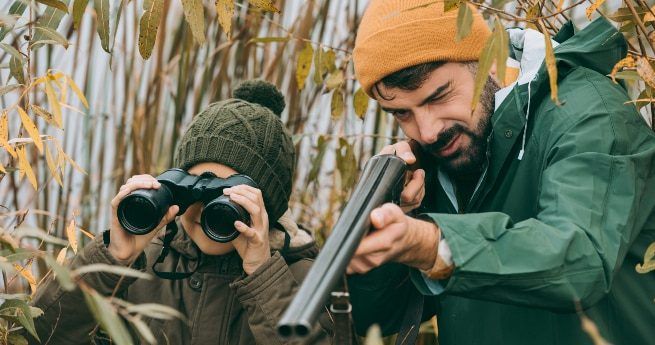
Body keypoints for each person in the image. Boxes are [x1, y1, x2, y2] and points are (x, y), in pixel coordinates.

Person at [346, 2, 655, 345]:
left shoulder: (588, 116)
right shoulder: (442, 155)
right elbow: (377, 317)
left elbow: (580, 261)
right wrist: (394, 216)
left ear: (489, 62)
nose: (428, 130)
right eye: (402, 113)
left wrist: (433, 244)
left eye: (439, 96)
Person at [30, 80, 332, 344]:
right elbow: (39, 337)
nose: (204, 209)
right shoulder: (144, 264)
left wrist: (263, 277)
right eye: (195, 186)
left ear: (266, 208)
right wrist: (110, 261)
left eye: (227, 197)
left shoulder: (307, 278)